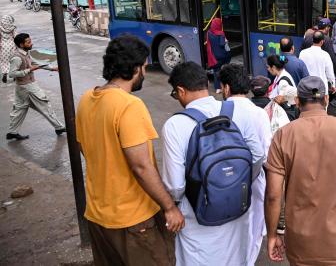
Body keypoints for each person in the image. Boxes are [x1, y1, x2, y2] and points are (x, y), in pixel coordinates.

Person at [76, 35, 183, 266]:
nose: (145, 71)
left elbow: (84, 148)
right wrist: (169, 207)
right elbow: (141, 166)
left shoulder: (86, 99)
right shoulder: (129, 105)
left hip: (97, 216)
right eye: (144, 66)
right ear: (135, 68)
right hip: (134, 220)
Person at [264, 76, 336, 265]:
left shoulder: (283, 136)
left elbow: (273, 195)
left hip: (301, 242)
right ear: (326, 99)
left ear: (297, 101)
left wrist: (272, 236)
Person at [161, 62, 265, 266]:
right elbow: (258, 156)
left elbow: (175, 186)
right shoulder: (238, 111)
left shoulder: (175, 125)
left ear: (180, 90)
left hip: (199, 220)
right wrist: (236, 183)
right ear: (207, 83)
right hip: (237, 211)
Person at [219, 63, 272, 266]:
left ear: (226, 88)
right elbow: (266, 153)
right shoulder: (259, 113)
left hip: (224, 181)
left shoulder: (218, 110)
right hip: (254, 181)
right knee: (253, 227)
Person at [7, 33, 66, 140]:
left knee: (20, 109)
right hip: (28, 87)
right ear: (21, 44)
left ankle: (12, 132)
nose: (31, 43)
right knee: (44, 105)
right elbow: (12, 74)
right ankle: (59, 127)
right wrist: (29, 70)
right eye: (28, 42)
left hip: (22, 87)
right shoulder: (17, 57)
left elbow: (36, 63)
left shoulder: (26, 53)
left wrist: (52, 68)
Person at [299, 31, 336, 97]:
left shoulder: (303, 53)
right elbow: (329, 73)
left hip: (307, 88)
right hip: (320, 89)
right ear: (322, 42)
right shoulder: (325, 55)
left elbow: (300, 69)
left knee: (309, 105)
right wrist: (333, 85)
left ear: (312, 40)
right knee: (320, 104)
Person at [266, 54, 298, 120]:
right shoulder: (280, 75)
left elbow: (279, 100)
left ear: (274, 67)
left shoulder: (283, 82)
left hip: (290, 114)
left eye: (268, 67)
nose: (268, 69)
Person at [206, 17, 231, 94]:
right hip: (223, 57)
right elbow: (222, 44)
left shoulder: (209, 32)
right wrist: (226, 41)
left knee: (216, 71)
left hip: (214, 57)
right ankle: (225, 86)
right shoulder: (221, 33)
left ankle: (217, 88)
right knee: (224, 70)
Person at [0, 15, 17, 83]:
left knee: (4, 62)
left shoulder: (0, 28)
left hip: (3, 46)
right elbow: (15, 37)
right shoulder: (12, 28)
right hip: (12, 45)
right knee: (13, 61)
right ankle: (14, 75)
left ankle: (5, 74)